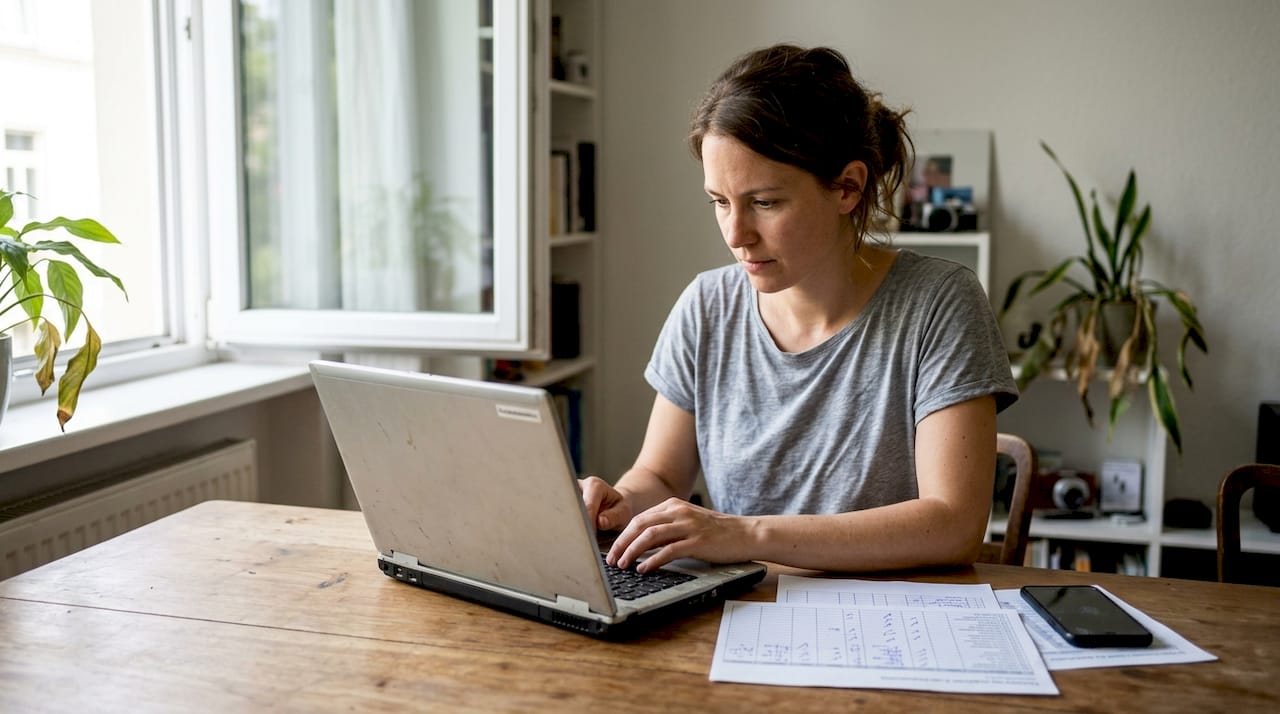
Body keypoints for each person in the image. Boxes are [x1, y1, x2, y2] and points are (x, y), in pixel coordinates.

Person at [579, 44, 1017, 574]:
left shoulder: (937, 303)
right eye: (720, 202)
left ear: (847, 188)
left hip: (889, 623)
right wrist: (624, 505)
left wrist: (744, 534)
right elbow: (663, 477)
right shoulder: (706, 306)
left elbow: (953, 526)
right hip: (742, 613)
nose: (736, 234)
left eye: (764, 203)